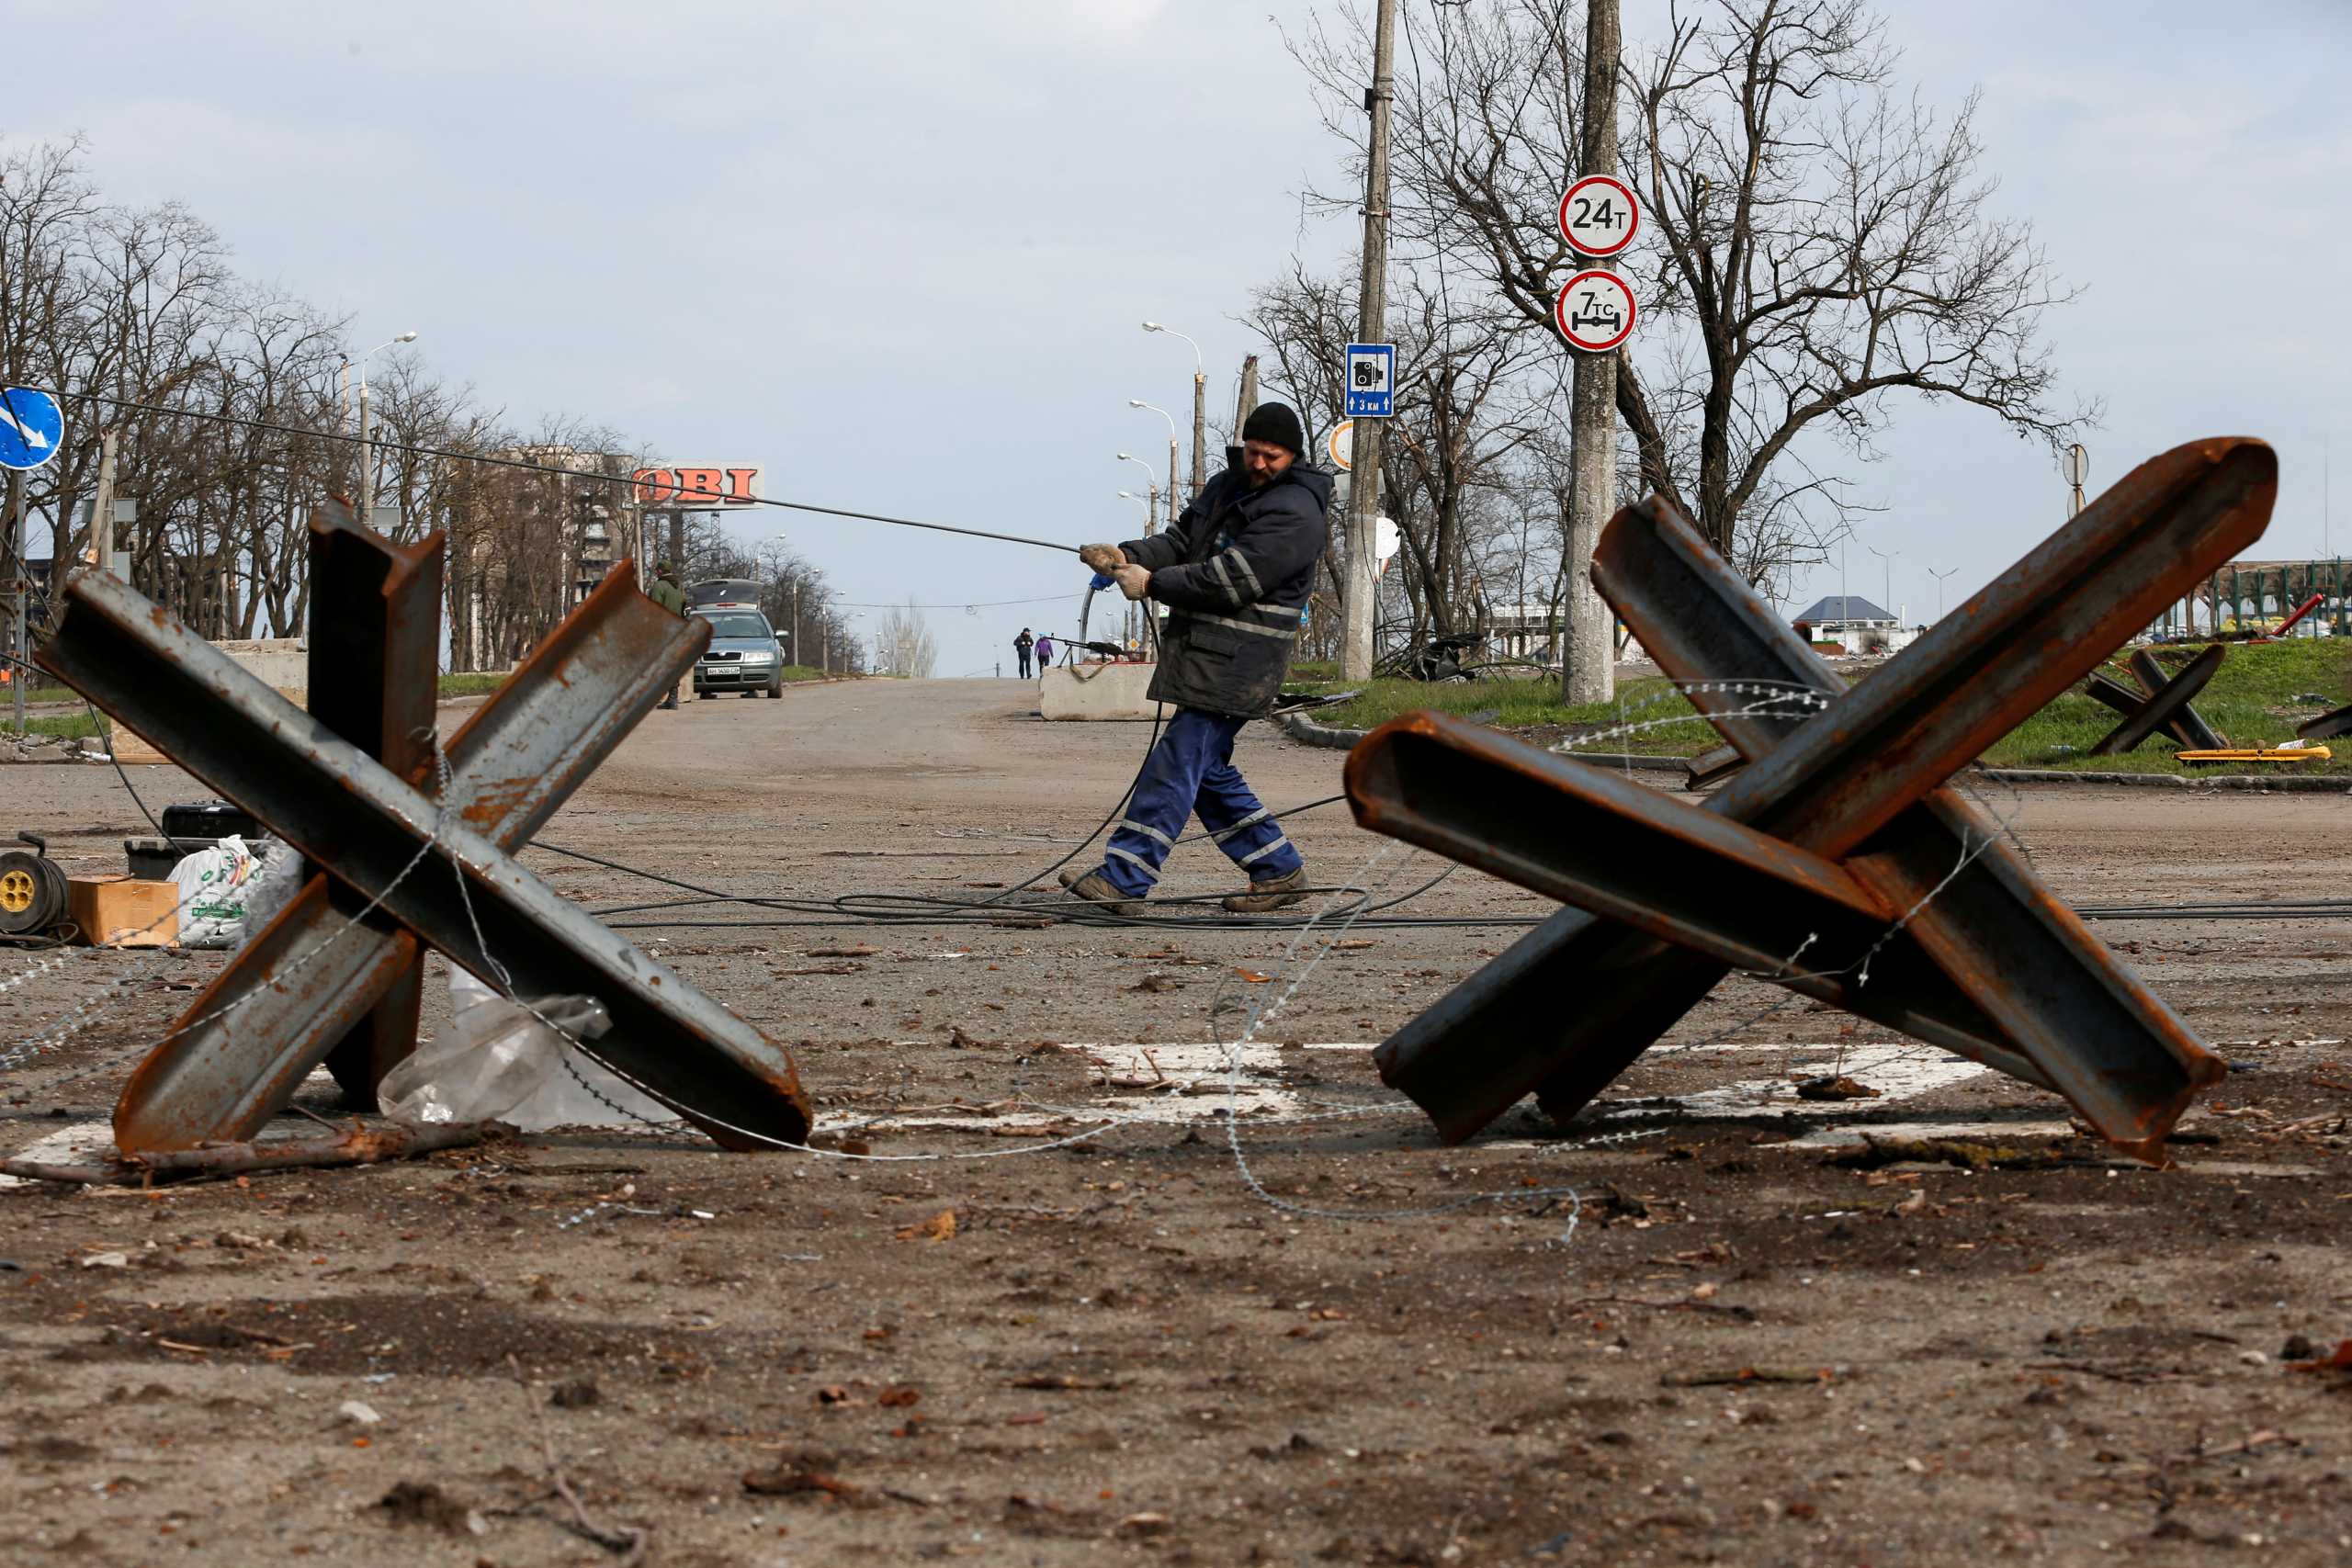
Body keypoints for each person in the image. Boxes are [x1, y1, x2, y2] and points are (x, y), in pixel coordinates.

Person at [1061, 402, 1327, 915]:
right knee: (1205, 773)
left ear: (1292, 456)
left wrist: (1154, 583)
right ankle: (1277, 870)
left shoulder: (1296, 512)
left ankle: (1125, 878)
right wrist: (1126, 555)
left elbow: (1232, 579)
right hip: (1208, 654)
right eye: (1253, 452)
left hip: (1242, 661)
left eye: (1272, 456)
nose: (1260, 463)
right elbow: (1182, 541)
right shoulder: (1227, 487)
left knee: (1176, 763)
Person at [647, 561, 690, 708]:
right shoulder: (679, 586)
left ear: (660, 571)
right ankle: (673, 697)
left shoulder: (659, 586)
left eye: (657, 570)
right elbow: (685, 607)